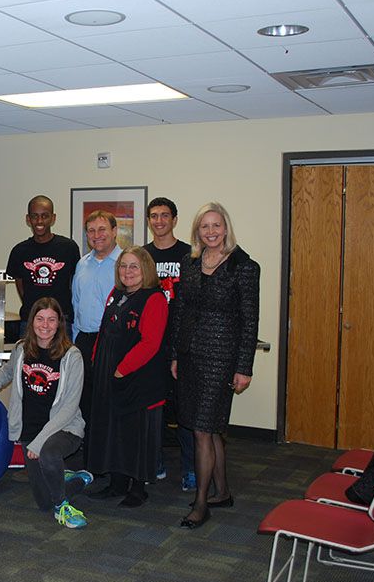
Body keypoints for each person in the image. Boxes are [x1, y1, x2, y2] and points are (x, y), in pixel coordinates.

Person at [169, 202, 260, 530]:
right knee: (207, 426)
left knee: (203, 429)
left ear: (226, 228)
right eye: (205, 226)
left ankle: (202, 502)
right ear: (197, 231)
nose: (211, 232)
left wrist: (244, 366)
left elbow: (250, 320)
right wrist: (176, 355)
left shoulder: (244, 266)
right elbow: (180, 311)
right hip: (191, 356)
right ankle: (223, 492)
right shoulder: (189, 263)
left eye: (216, 226)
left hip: (221, 358)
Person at [0, 298, 91, 528]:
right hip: (30, 430)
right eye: (40, 319)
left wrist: (40, 442)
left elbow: (69, 408)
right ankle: (71, 478)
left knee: (49, 456)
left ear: (59, 324)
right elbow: (4, 374)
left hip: (64, 428)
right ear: (32, 321)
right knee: (43, 502)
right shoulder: (22, 349)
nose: (45, 325)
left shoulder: (72, 356)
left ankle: (63, 506)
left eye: (52, 320)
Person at [87, 247, 168, 508]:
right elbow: (105, 330)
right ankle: (116, 483)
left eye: (134, 266)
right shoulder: (117, 294)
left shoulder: (154, 298)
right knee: (114, 430)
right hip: (109, 374)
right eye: (123, 266)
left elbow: (150, 343)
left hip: (137, 378)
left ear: (146, 269)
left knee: (136, 433)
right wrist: (97, 360)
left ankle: (137, 489)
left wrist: (122, 368)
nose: (128, 272)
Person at [142, 197, 195, 491]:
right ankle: (156, 462)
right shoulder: (143, 255)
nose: (159, 221)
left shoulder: (190, 255)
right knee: (154, 407)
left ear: (175, 219)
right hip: (152, 344)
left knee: (185, 409)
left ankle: (190, 469)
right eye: (153, 216)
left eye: (164, 216)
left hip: (182, 344)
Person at [70, 210, 121, 466]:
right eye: (91, 231)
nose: (97, 236)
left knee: (110, 403)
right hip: (84, 341)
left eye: (102, 230)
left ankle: (112, 459)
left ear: (114, 231)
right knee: (86, 402)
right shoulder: (82, 264)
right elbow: (76, 303)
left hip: (112, 342)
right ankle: (91, 457)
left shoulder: (126, 263)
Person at [6, 195, 80, 333]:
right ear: (28, 219)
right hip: (30, 320)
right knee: (29, 355)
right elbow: (20, 284)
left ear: (53, 218)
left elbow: (74, 282)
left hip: (61, 320)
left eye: (45, 216)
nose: (39, 221)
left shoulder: (69, 247)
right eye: (35, 216)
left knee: (64, 355)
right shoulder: (19, 251)